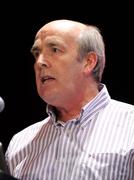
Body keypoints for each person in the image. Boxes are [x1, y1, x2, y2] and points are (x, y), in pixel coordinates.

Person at [5, 19, 134, 180]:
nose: (40, 62)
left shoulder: (131, 127)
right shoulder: (20, 144)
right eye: (36, 53)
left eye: (55, 50)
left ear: (89, 62)